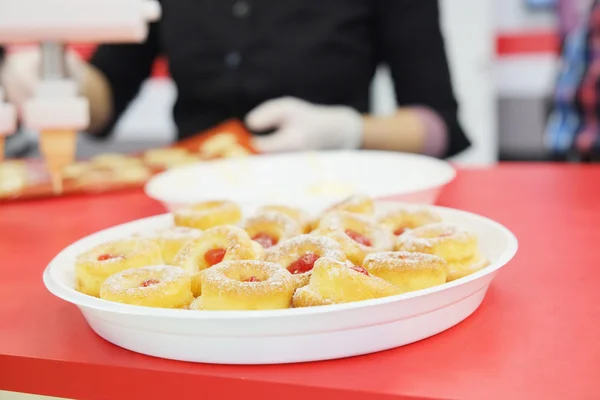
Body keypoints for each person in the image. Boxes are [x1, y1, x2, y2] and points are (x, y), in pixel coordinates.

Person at [0, 0, 470, 159]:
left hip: (327, 201)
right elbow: (105, 103)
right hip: (186, 208)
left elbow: (439, 127)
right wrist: (62, 77)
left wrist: (348, 130)